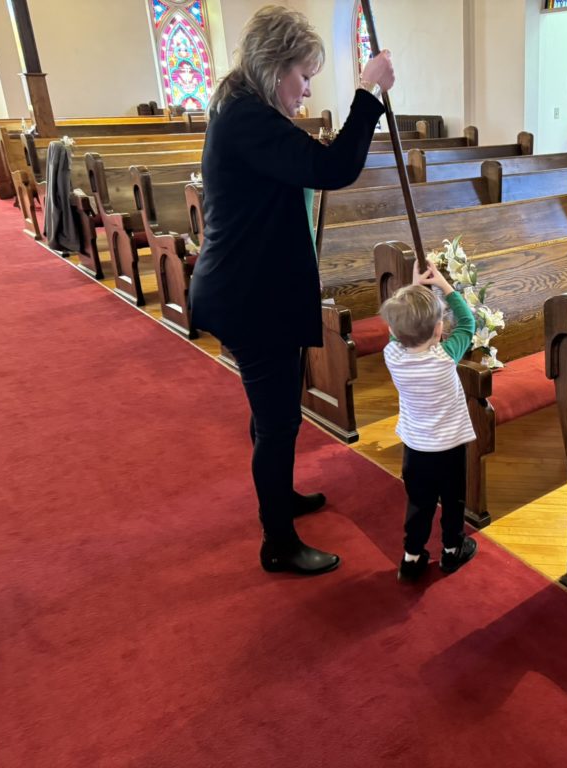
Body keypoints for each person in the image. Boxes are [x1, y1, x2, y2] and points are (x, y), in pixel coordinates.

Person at [189, 6, 394, 575]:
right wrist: (368, 94)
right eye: (303, 75)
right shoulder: (246, 118)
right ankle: (277, 542)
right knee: (279, 422)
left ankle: (280, 499)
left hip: (255, 291)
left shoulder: (243, 108)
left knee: (273, 416)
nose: (306, 90)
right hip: (249, 299)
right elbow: (332, 169)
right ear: (274, 65)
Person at [379, 265, 480, 582]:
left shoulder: (391, 354)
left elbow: (402, 327)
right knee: (453, 501)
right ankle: (452, 550)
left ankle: (411, 557)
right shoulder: (446, 357)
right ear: (439, 330)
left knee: (419, 504)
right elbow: (468, 322)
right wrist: (445, 286)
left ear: (395, 331)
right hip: (449, 450)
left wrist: (414, 290)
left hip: (415, 448)